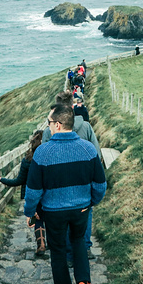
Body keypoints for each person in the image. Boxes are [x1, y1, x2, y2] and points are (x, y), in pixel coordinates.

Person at [24, 104, 106, 284]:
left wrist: (30, 212)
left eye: (50, 123)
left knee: (58, 251)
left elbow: (33, 191)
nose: (48, 127)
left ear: (58, 125)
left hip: (53, 212)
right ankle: (84, 283)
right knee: (78, 242)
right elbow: (100, 184)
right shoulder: (88, 149)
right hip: (81, 209)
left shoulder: (42, 152)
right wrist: (91, 202)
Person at [42, 90, 101, 263]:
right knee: (84, 215)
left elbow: (43, 161)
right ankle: (86, 248)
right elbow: (96, 153)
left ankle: (68, 256)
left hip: (58, 185)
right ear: (72, 106)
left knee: (63, 218)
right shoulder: (86, 127)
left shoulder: (48, 132)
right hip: (84, 181)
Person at [0, 130, 46, 255]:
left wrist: (3, 180)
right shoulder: (49, 158)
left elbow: (19, 180)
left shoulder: (27, 160)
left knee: (37, 219)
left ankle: (41, 244)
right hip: (47, 193)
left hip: (32, 194)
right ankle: (53, 243)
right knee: (49, 218)